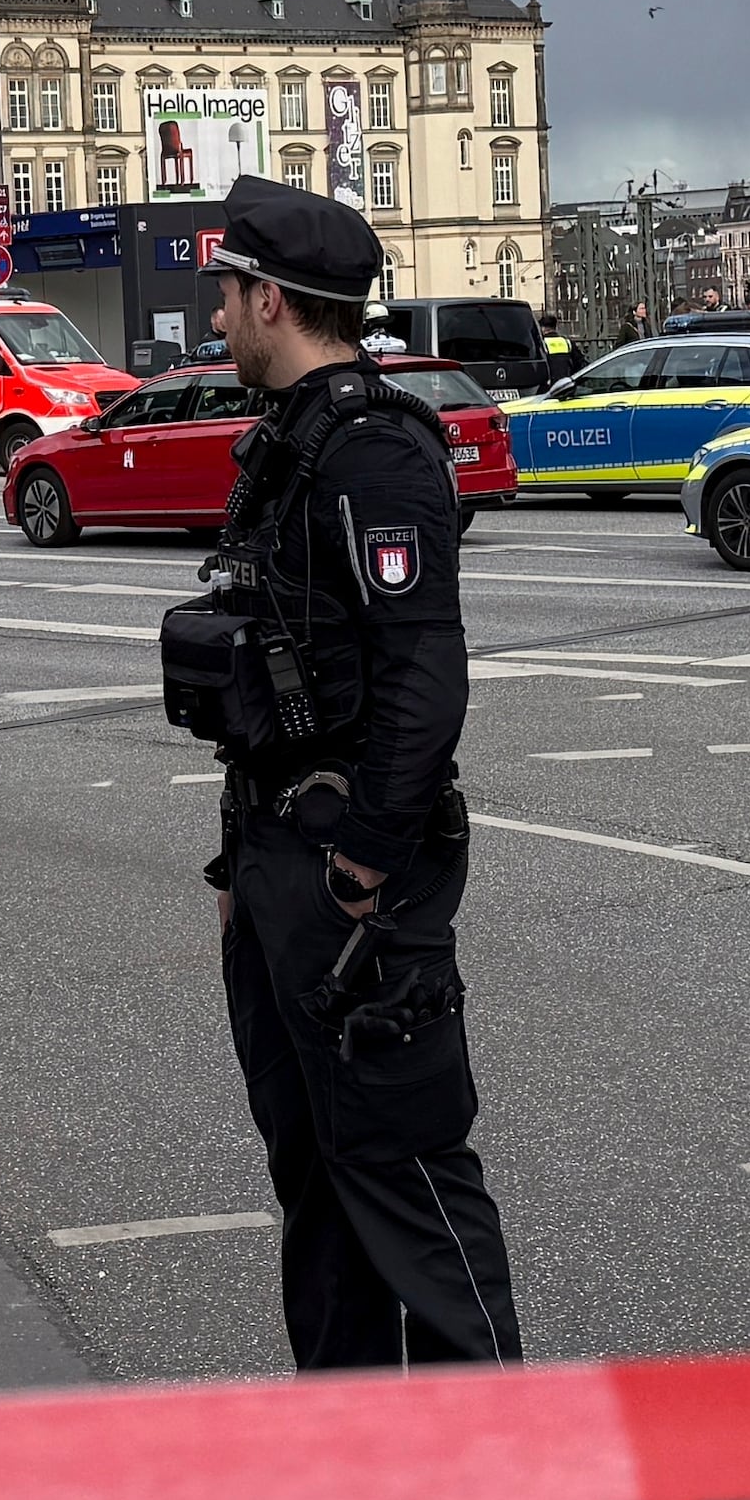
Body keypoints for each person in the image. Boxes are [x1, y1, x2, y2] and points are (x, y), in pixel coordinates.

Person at [177, 173, 517, 1370]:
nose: (214, 312)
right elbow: (274, 677)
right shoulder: (294, 440)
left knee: (406, 1175)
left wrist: (367, 852)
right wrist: (240, 861)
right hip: (280, 853)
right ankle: (355, 1467)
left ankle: (486, 1492)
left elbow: (424, 675)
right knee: (315, 1175)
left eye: (225, 291)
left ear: (269, 299)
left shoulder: (372, 454)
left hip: (349, 867)